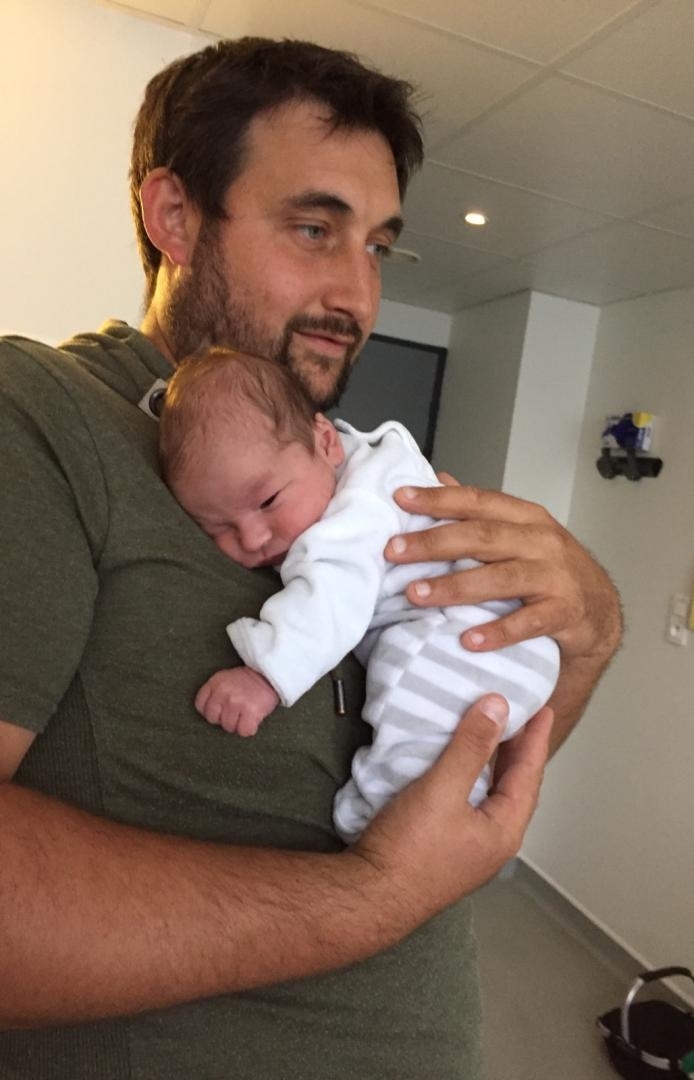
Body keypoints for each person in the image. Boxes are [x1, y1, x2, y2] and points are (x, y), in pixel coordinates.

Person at [0, 36, 622, 1079]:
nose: (358, 297)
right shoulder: (40, 415)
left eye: (377, 247)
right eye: (313, 228)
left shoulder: (352, 476)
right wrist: (377, 895)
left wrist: (586, 635)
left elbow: (473, 759)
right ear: (174, 216)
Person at [158, 348, 561, 841]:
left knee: (410, 731)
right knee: (436, 740)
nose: (253, 537)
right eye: (217, 528)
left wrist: (265, 675)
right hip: (508, 646)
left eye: (268, 501)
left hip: (463, 638)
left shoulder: (352, 516)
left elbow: (331, 599)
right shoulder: (366, 461)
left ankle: (380, 821)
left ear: (325, 441)